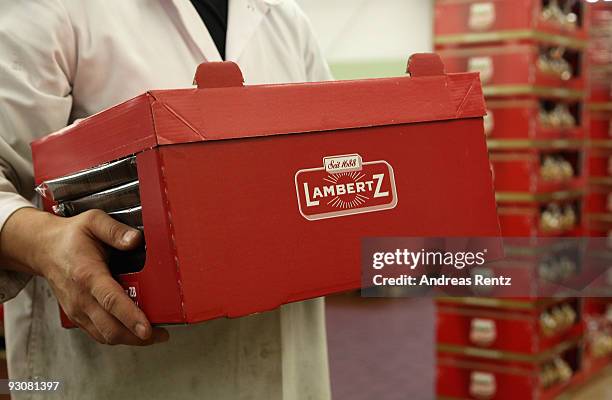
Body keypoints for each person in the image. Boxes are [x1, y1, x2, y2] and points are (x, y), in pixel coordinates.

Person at [0, 1, 333, 399]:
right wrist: (44, 243)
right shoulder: (55, 9)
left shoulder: (286, 18)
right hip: (120, 373)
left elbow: (323, 152)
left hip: (290, 369)